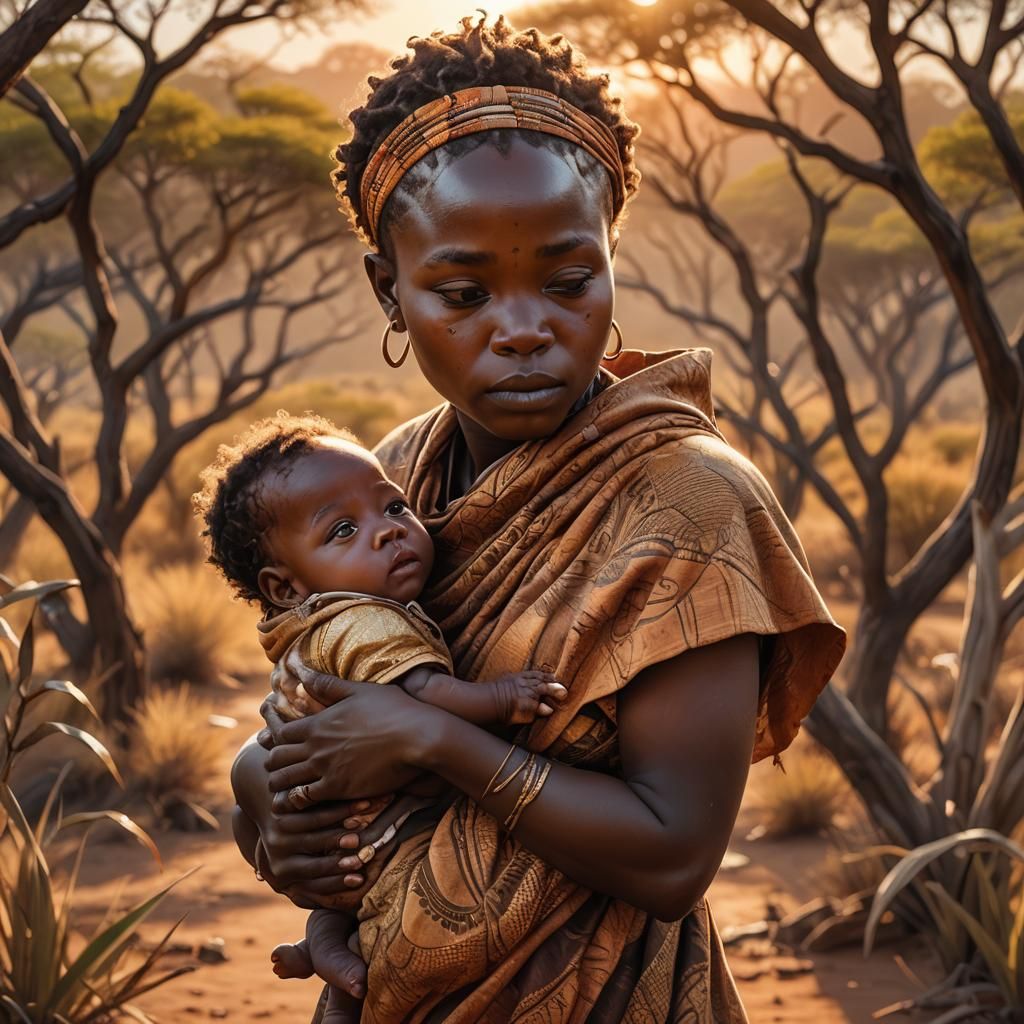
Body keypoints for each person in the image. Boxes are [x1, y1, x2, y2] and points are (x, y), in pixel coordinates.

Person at [231, 15, 846, 1023]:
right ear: (390, 292)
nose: (523, 330)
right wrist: (263, 792)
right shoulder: (385, 482)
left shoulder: (689, 502)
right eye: (462, 292)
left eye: (567, 283)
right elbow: (302, 714)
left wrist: (433, 742)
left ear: (609, 261)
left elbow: (673, 855)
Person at [193, 412, 566, 1017]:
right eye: (343, 530)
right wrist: (500, 699)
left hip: (334, 829)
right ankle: (337, 956)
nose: (388, 533)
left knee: (351, 908)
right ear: (285, 586)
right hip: (375, 826)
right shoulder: (364, 620)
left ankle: (324, 943)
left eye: (393, 509)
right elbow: (423, 693)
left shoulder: (311, 624)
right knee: (398, 890)